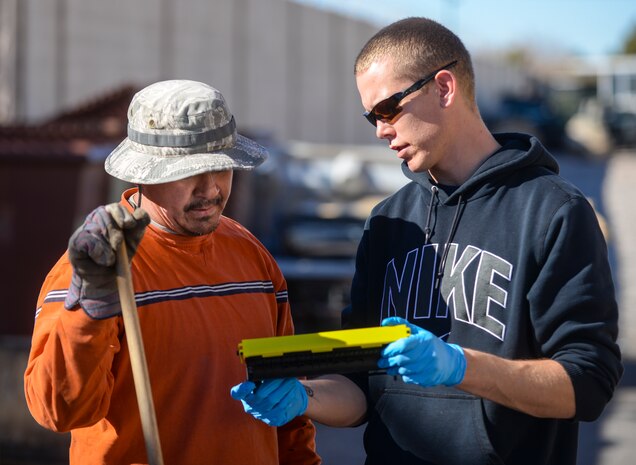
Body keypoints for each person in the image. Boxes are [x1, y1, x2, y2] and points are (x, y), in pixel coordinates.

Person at [230, 17, 623, 465]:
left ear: (444, 88)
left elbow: (588, 382)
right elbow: (360, 386)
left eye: (388, 109)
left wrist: (460, 367)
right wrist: (305, 395)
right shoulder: (388, 222)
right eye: (370, 117)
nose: (379, 130)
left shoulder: (552, 211)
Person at [24, 79, 320, 465]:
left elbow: (289, 406)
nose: (211, 189)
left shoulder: (252, 257)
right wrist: (89, 312)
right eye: (189, 172)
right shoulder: (100, 268)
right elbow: (58, 411)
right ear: (145, 173)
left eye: (221, 168)